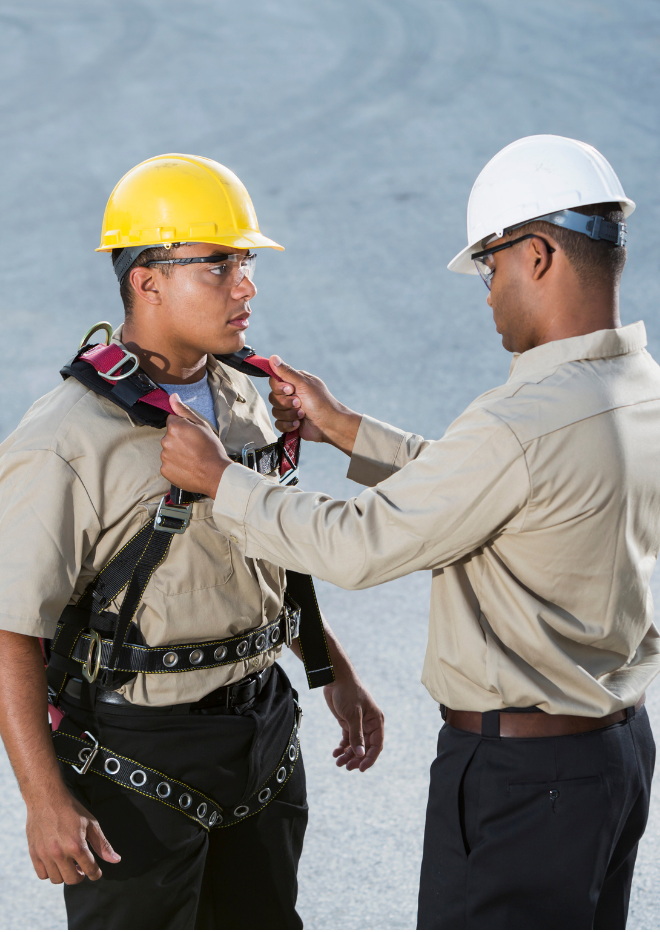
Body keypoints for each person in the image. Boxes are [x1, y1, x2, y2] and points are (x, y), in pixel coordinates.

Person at [160, 135, 660, 930]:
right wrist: (346, 428)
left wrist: (224, 482)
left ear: (536, 256)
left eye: (490, 267)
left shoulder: (522, 420)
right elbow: (492, 492)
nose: (487, 291)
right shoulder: (634, 388)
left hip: (522, 783)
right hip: (611, 759)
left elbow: (361, 543)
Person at [0, 153, 384, 931]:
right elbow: (13, 632)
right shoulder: (66, 440)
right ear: (146, 279)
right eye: (218, 265)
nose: (246, 286)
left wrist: (328, 666)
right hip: (135, 753)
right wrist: (43, 800)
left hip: (263, 732)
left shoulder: (245, 394)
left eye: (245, 263)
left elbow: (266, 549)